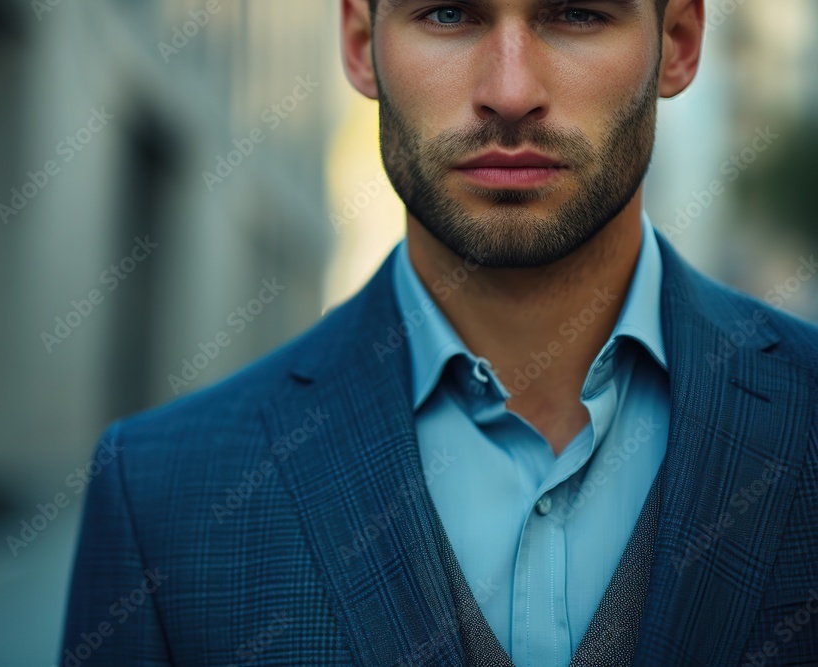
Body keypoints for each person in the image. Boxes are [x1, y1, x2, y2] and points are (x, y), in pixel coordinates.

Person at [61, 0, 818, 664]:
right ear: (360, 43)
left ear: (679, 42)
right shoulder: (162, 494)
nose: (511, 94)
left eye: (577, 13)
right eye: (448, 13)